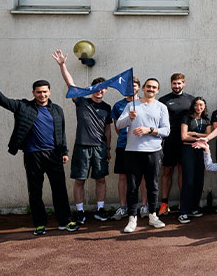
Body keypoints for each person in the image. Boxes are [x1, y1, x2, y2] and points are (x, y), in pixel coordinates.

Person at [0, 65, 78, 236]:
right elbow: (1, 99)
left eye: (45, 92)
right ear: (33, 93)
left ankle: (65, 221)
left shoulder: (57, 110)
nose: (42, 95)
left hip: (54, 155)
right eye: (38, 92)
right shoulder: (23, 106)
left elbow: (61, 132)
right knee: (35, 192)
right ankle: (40, 224)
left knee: (60, 190)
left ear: (49, 92)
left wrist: (64, 152)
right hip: (33, 155)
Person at [51, 49, 112, 224]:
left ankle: (100, 210)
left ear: (106, 89)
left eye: (102, 88)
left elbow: (107, 129)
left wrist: (108, 148)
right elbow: (70, 83)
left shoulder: (107, 107)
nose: (99, 91)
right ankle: (80, 212)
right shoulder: (82, 101)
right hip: (82, 147)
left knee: (101, 179)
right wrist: (62, 65)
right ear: (92, 89)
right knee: (80, 180)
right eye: (96, 88)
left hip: (100, 147)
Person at [116, 78, 170, 233]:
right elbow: (119, 125)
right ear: (143, 88)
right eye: (148, 86)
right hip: (133, 151)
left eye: (154, 87)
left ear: (157, 90)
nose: (151, 89)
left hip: (153, 151)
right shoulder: (131, 105)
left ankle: (153, 216)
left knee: (152, 185)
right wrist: (129, 118)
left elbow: (166, 130)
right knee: (132, 187)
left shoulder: (161, 107)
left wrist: (149, 130)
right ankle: (132, 218)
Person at [111, 77, 147, 220]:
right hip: (123, 145)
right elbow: (117, 126)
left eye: (135, 85)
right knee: (123, 177)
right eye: (129, 85)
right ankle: (123, 207)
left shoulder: (144, 103)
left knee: (143, 176)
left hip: (141, 145)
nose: (132, 88)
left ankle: (144, 206)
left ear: (139, 87)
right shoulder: (118, 105)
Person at [158, 73, 194, 216]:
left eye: (179, 83)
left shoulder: (191, 100)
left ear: (184, 83)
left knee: (182, 171)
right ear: (171, 84)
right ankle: (164, 204)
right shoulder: (163, 100)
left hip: (185, 140)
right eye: (174, 83)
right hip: (168, 140)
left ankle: (182, 202)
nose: (177, 86)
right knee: (167, 171)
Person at [178, 97, 211, 223]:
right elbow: (183, 136)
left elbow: (209, 136)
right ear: (193, 106)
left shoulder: (206, 120)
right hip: (188, 150)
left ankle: (194, 208)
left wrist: (195, 134)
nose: (199, 107)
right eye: (196, 105)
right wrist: (201, 137)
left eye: (201, 105)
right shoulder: (186, 118)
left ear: (204, 106)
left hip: (201, 151)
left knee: (199, 180)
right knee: (189, 181)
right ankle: (183, 212)